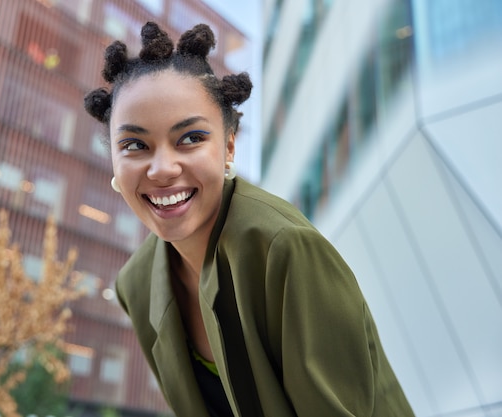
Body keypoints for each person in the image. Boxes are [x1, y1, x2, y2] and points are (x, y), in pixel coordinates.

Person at [84, 21, 414, 417]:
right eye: (135, 145)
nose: (162, 169)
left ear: (228, 147)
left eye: (190, 138)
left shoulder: (287, 250)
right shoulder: (136, 284)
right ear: (115, 163)